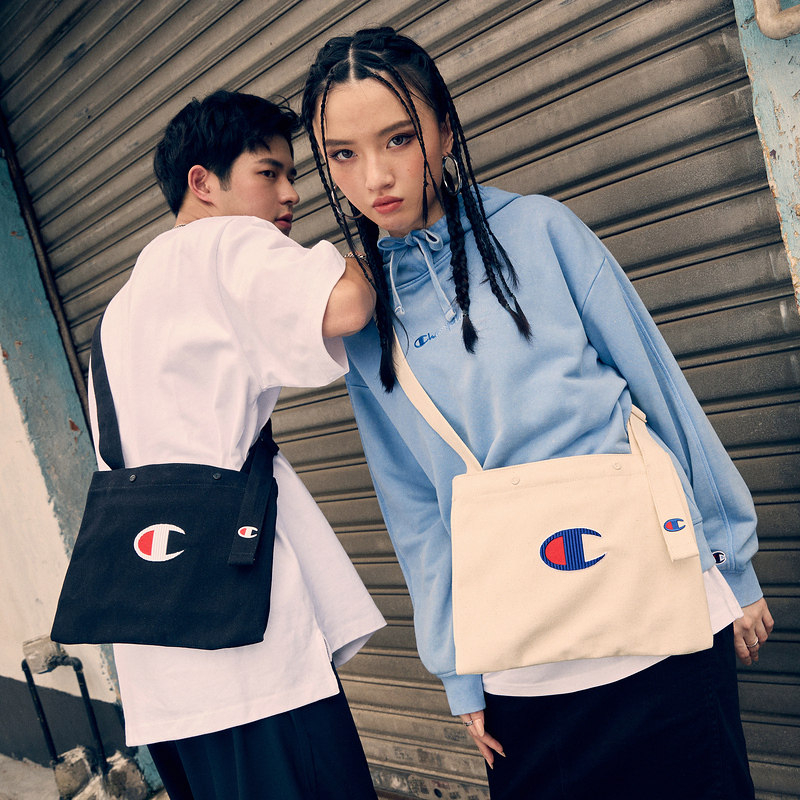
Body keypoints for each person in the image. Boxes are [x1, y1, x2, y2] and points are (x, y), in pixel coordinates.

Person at [300, 28, 775, 800]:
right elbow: (415, 512)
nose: (375, 176)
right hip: (524, 665)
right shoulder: (364, 318)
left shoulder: (540, 231)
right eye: (343, 154)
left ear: (442, 128)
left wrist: (731, 558)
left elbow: (662, 390)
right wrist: (458, 672)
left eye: (398, 138)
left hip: (661, 616)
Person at [92, 89, 385, 800]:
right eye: (269, 173)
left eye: (293, 175)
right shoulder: (224, 243)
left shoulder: (121, 307)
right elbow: (346, 306)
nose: (291, 194)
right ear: (203, 183)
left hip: (161, 665)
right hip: (251, 650)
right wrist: (360, 250)